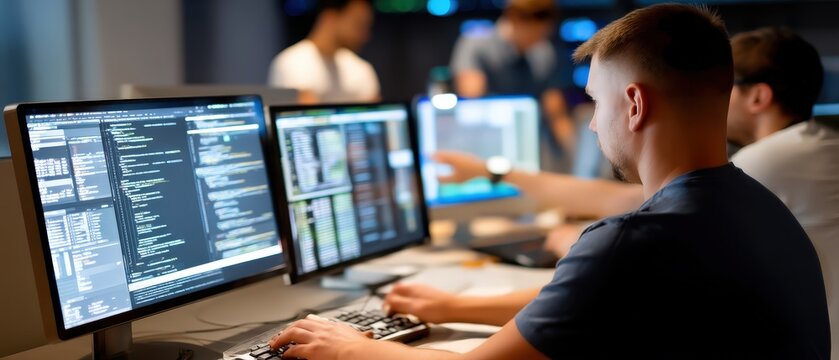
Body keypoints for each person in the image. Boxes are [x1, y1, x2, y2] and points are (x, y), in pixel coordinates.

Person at [268, 5, 830, 358]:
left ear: (634, 105)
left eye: (596, 103)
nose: (593, 124)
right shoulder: (761, 208)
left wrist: (348, 346)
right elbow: (596, 299)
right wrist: (451, 305)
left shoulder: (633, 241)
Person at [725, 27, 839, 357]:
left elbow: (665, 213)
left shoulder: (766, 160)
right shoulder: (822, 144)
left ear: (758, 96)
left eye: (722, 87)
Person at [449, 0, 576, 172]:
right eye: (534, 33)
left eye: (543, 34)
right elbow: (472, 101)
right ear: (514, 19)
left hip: (532, 148)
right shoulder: (476, 44)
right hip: (487, 144)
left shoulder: (544, 53)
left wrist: (577, 154)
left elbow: (555, 113)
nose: (538, 40)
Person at [267, 0, 379, 103]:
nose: (366, 35)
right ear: (330, 17)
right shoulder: (290, 64)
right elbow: (300, 115)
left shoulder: (362, 68)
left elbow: (375, 114)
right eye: (358, 24)